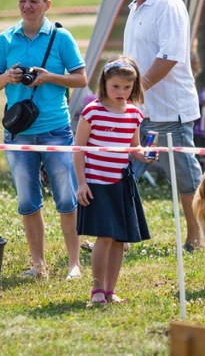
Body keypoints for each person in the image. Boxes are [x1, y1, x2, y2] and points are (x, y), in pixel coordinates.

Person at [0, 0, 87, 279]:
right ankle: (38, 265)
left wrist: (49, 77)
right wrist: (8, 77)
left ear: (47, 5)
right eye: (22, 0)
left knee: (67, 198)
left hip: (56, 129)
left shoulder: (61, 38)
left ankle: (74, 264)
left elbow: (81, 79)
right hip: (19, 132)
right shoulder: (5, 39)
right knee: (27, 200)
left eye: (33, 1)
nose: (27, 6)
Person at [111, 0, 204, 252]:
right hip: (140, 111)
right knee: (124, 170)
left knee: (184, 176)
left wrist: (137, 89)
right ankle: (119, 236)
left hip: (170, 110)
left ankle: (196, 238)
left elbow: (169, 57)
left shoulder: (169, 5)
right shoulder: (136, 6)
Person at [74, 55, 153, 304]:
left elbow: (134, 148)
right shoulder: (92, 111)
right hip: (97, 184)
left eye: (127, 87)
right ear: (104, 84)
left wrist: (145, 155)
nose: (121, 92)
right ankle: (97, 290)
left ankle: (110, 289)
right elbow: (79, 149)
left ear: (135, 87)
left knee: (120, 238)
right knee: (105, 237)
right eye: (116, 86)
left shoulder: (134, 114)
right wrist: (82, 183)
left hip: (122, 184)